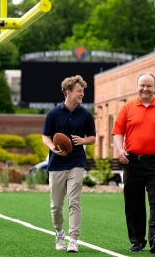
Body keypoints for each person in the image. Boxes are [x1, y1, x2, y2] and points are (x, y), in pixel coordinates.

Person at [111, 73, 155, 254]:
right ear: (137, 86)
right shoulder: (127, 108)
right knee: (133, 203)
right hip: (132, 161)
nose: (145, 89)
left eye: (149, 86)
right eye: (142, 85)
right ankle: (137, 240)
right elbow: (118, 132)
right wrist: (119, 150)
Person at [42, 75, 96, 253]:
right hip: (57, 164)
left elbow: (93, 138)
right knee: (56, 205)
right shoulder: (53, 114)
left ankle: (73, 239)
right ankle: (59, 233)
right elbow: (46, 136)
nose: (82, 94)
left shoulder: (86, 115)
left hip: (76, 163)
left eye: (83, 91)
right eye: (79, 91)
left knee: (74, 201)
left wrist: (83, 140)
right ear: (68, 92)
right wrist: (52, 147)